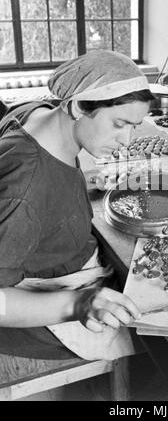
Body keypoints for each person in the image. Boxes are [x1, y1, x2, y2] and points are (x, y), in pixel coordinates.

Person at [0, 49, 154, 360]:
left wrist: (80, 182)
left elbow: (47, 173)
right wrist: (78, 304)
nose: (127, 140)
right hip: (33, 304)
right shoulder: (26, 190)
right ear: (77, 106)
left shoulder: (35, 112)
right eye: (120, 124)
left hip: (49, 261)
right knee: (144, 324)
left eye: (134, 127)